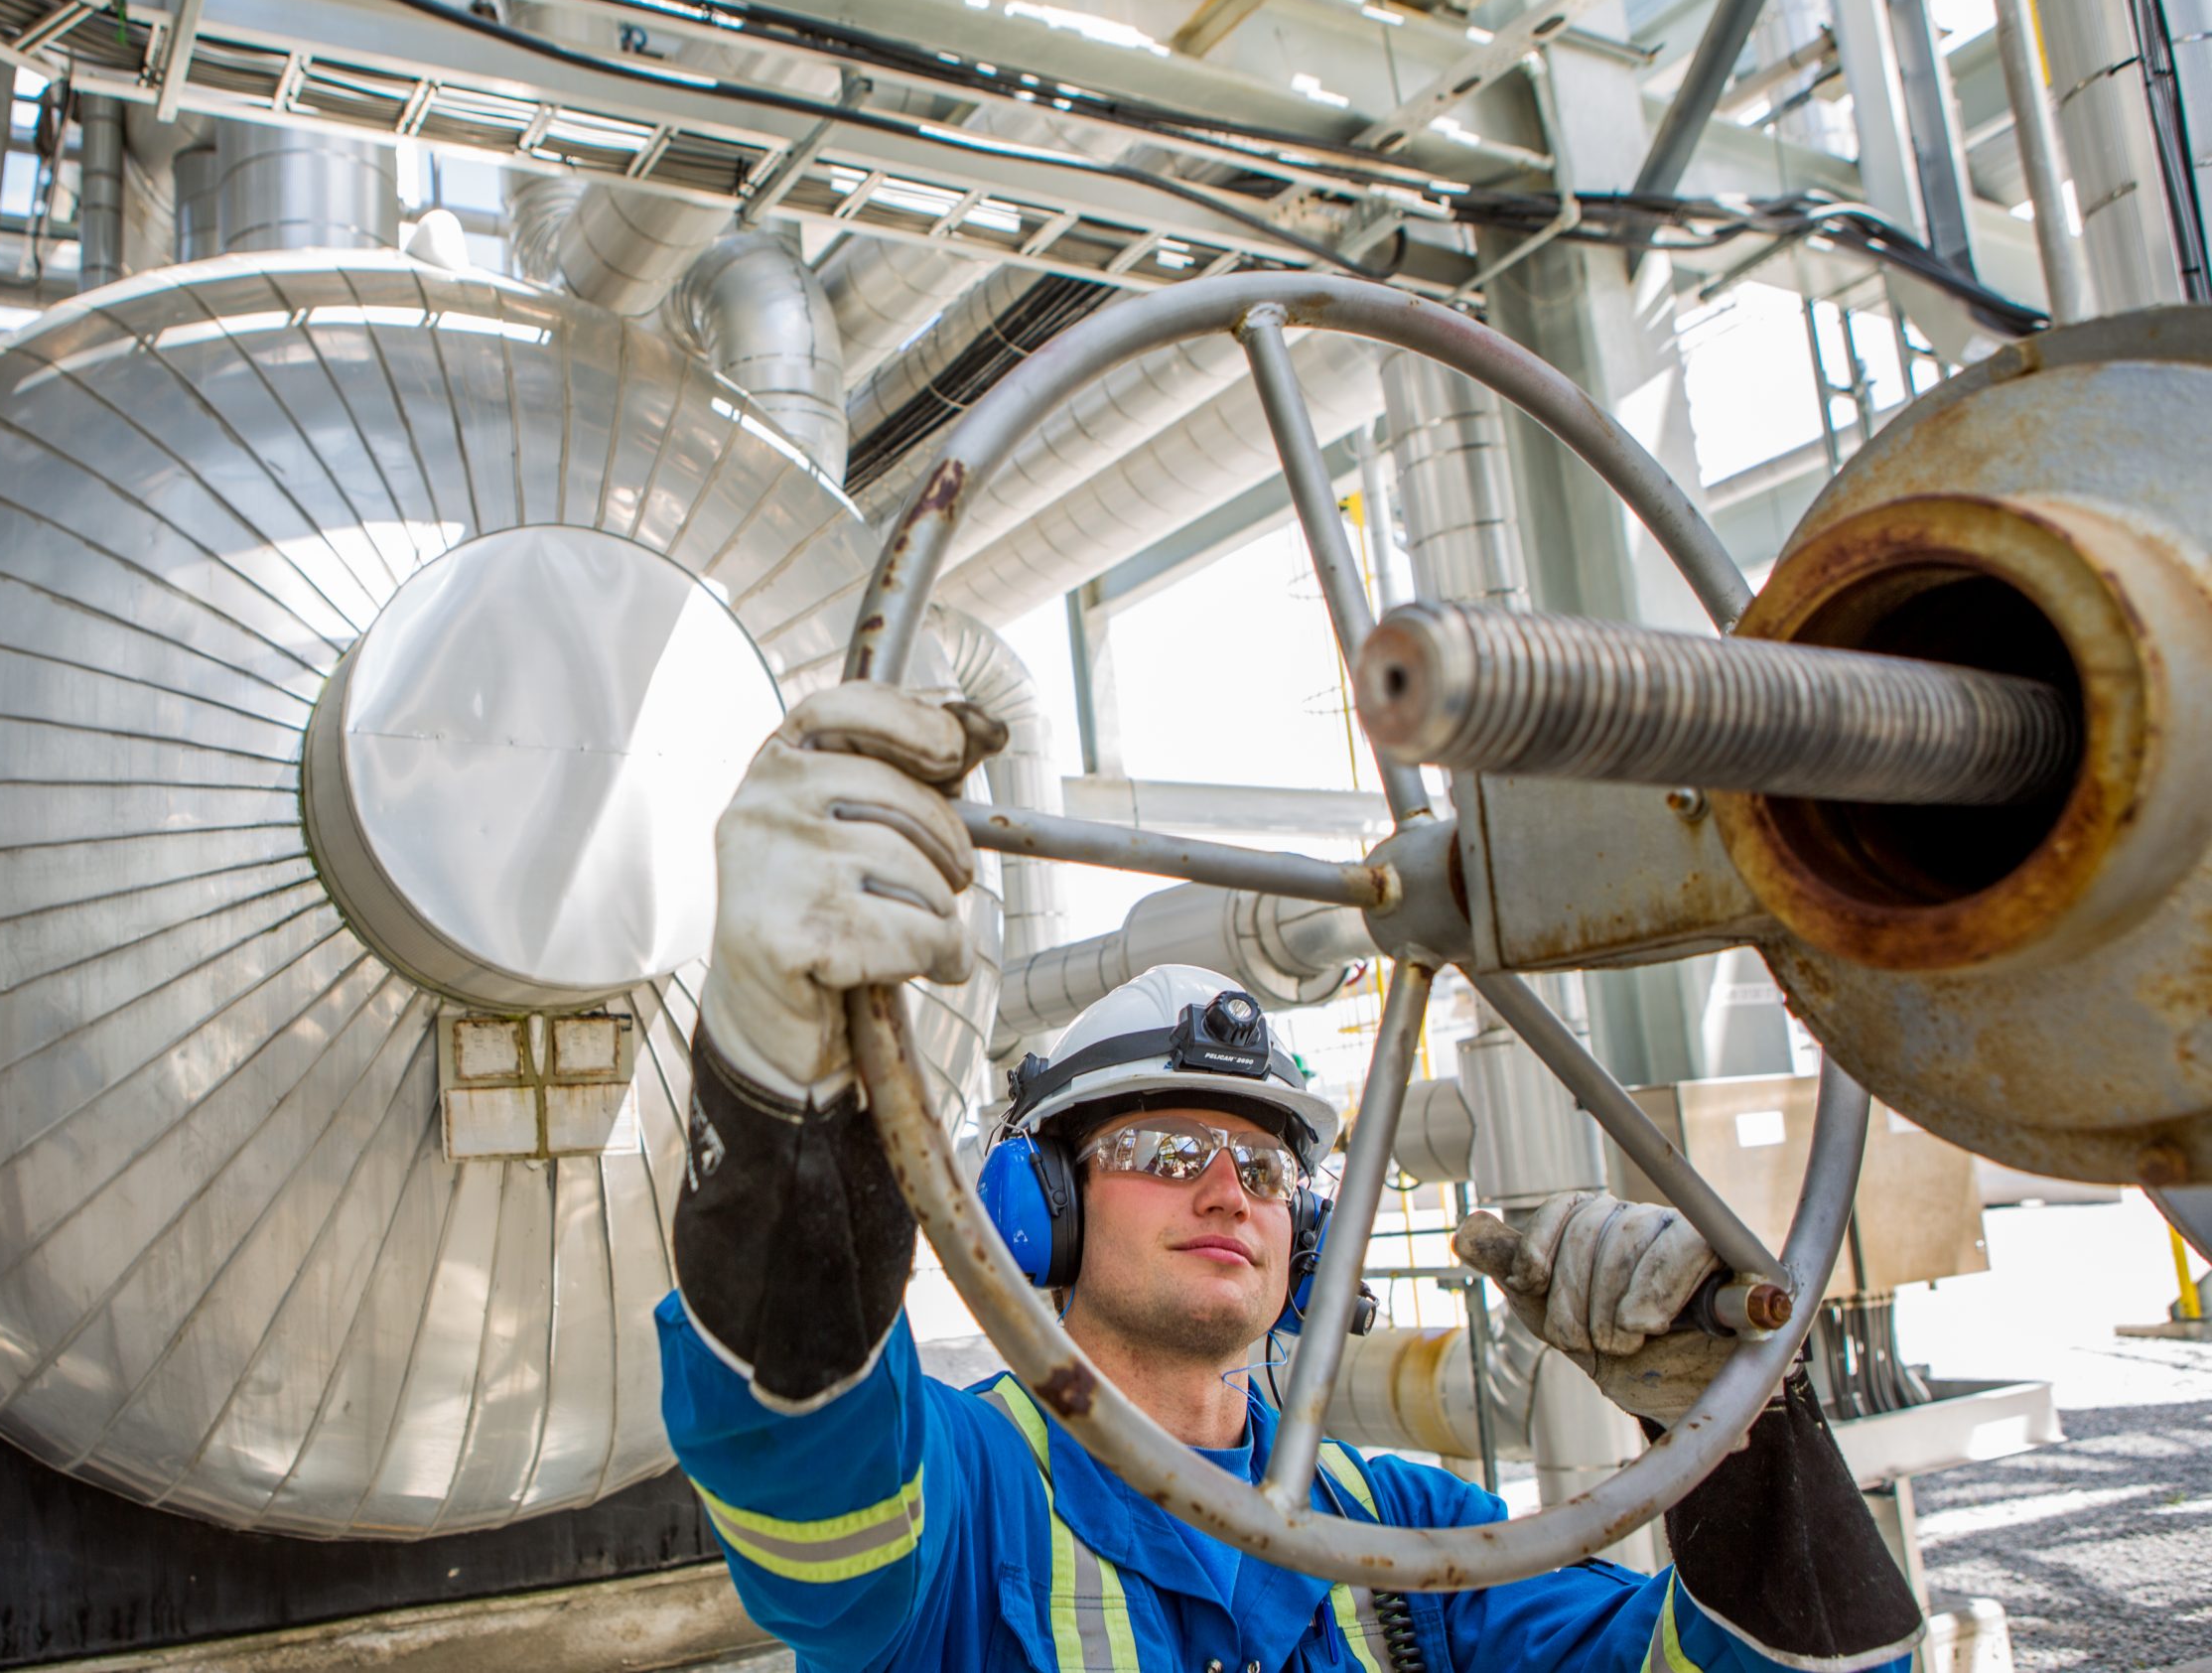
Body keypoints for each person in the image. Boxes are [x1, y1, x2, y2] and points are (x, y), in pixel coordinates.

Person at [655, 682, 1922, 1673]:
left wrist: (1746, 1434)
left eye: (1265, 1166)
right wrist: (780, 1090)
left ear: (1308, 1235)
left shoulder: (1404, 1537)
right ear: (1034, 1210)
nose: (1228, 1193)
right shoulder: (965, 1493)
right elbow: (789, 1424)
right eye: (1161, 1152)